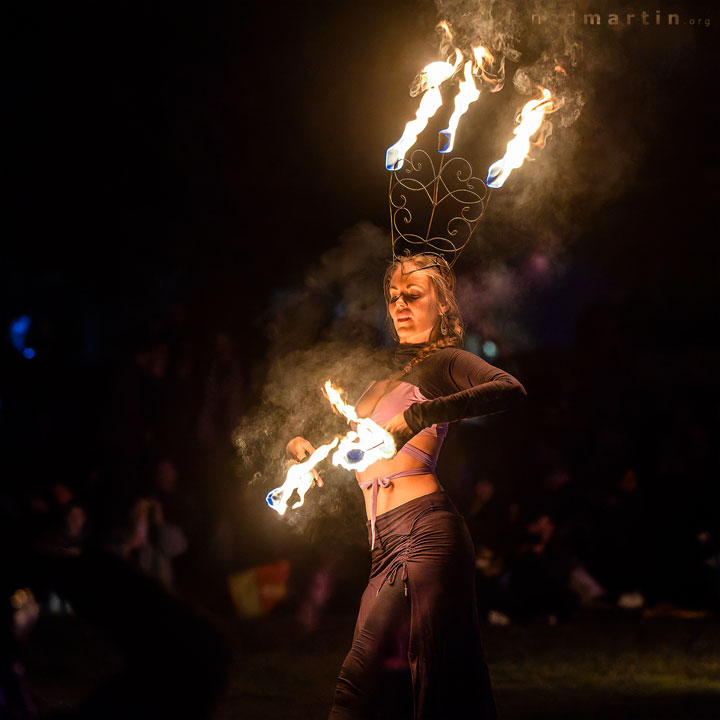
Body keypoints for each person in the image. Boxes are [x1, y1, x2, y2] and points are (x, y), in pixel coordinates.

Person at [286, 253, 526, 719]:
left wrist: (415, 416)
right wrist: (301, 447)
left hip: (427, 534)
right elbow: (342, 438)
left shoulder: (445, 362)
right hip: (384, 542)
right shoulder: (380, 371)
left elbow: (509, 389)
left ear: (443, 306)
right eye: (393, 296)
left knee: (401, 674)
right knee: (371, 681)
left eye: (413, 295)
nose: (400, 303)